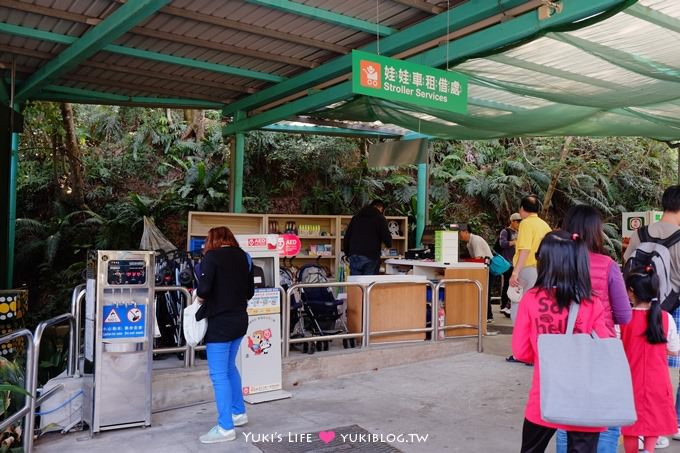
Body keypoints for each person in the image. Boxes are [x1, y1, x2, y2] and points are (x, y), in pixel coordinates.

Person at [512, 230, 609, 452]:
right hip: (585, 398)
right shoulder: (592, 302)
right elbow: (603, 347)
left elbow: (521, 351)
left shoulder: (531, 300)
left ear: (544, 262)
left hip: (545, 395)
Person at [555, 205, 633, 453]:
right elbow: (624, 315)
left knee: (565, 417)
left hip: (564, 348)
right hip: (601, 350)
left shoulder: (556, 264)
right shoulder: (607, 265)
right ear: (596, 232)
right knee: (605, 420)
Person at [623, 185, 680, 446]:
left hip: (638, 307)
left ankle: (639, 426)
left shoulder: (640, 232)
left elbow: (627, 263)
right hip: (670, 310)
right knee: (663, 373)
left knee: (636, 370)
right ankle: (666, 424)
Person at [196, 226, 255, 444]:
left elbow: (203, 290)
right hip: (240, 320)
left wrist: (199, 299)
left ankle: (225, 428)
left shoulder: (211, 258)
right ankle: (238, 413)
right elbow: (250, 292)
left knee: (218, 375)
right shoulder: (245, 257)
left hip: (220, 324)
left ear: (212, 240)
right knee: (230, 367)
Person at [620, 266, 680, 453]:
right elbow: (674, 350)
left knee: (629, 421)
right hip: (658, 380)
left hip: (630, 379)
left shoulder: (623, 319)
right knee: (653, 418)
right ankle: (648, 450)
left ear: (631, 292)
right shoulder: (665, 317)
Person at [509, 195, 552, 320]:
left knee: (518, 301)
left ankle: (519, 334)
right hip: (542, 270)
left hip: (526, 270)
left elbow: (525, 249)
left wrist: (515, 273)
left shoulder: (526, 224)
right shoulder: (545, 225)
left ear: (522, 208)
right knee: (536, 304)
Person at [343, 200, 392, 275]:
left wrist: (348, 253)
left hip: (354, 255)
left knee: (356, 283)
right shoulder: (380, 218)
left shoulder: (356, 218)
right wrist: (388, 245)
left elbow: (347, 237)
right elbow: (387, 239)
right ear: (380, 208)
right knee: (368, 284)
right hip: (371, 256)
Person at [459, 224, 494, 323]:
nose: (459, 236)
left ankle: (488, 316)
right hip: (482, 266)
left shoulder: (475, 240)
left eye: (460, 233)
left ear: (466, 231)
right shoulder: (469, 243)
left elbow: (478, 258)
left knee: (485, 291)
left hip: (487, 265)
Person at [498, 213, 521, 317]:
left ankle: (509, 306)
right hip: (507, 262)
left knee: (513, 285)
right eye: (517, 221)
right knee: (507, 284)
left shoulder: (520, 232)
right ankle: (504, 305)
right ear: (512, 221)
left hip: (516, 262)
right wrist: (514, 242)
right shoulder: (505, 231)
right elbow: (502, 244)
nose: (519, 224)